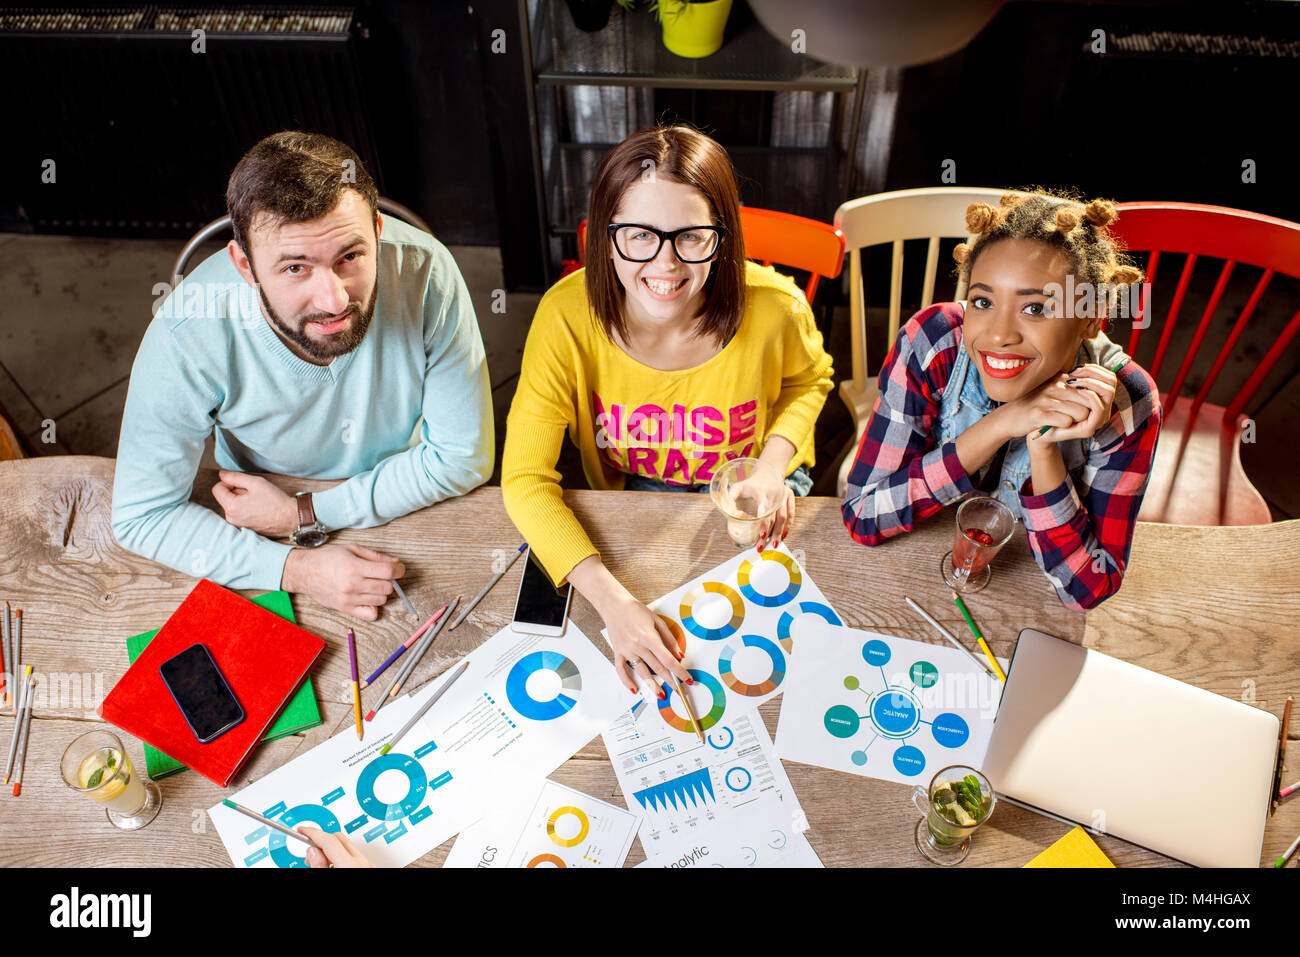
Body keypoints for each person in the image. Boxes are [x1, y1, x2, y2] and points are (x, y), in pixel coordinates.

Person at [502, 125, 834, 694]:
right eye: (639, 236)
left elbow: (811, 381)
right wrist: (614, 605)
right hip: (633, 491)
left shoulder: (778, 307)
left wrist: (773, 468)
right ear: (607, 236)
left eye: (691, 237)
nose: (665, 265)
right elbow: (526, 482)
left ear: (722, 236)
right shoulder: (563, 318)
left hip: (750, 487)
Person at [112, 132, 493, 619]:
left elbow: (463, 457)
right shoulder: (186, 329)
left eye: (350, 257)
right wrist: (298, 568)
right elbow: (143, 516)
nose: (334, 300)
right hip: (264, 504)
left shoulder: (427, 272)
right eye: (296, 267)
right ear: (245, 266)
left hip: (412, 487)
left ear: (378, 232)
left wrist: (304, 515)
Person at [841, 192, 1162, 610]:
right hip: (922, 560)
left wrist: (1044, 447)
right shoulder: (933, 342)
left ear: (1090, 317)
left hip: (1028, 585)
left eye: (1034, 308)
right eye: (983, 302)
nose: (998, 335)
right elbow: (864, 515)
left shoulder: (1128, 403)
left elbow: (1088, 589)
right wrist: (1002, 423)